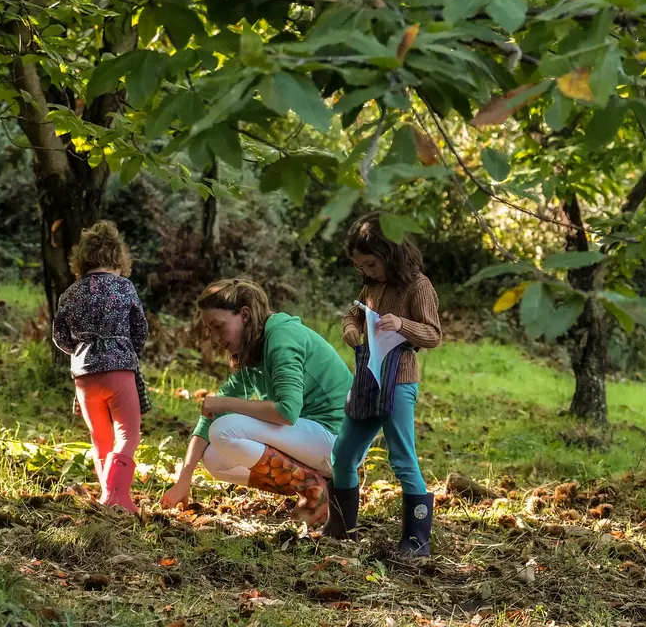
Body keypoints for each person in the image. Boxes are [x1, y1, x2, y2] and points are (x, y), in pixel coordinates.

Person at [159, 278, 352, 526]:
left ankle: (315, 487)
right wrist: (183, 480)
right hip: (313, 440)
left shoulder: (282, 337)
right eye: (210, 330)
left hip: (339, 443)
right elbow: (209, 416)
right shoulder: (253, 349)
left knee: (225, 429)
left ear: (245, 315)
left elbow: (286, 411)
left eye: (218, 326)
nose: (215, 337)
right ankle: (317, 485)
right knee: (214, 458)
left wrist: (225, 404)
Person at [327, 215, 442, 555]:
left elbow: (434, 334)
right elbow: (354, 313)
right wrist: (350, 327)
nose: (366, 271)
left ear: (389, 254)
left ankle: (416, 540)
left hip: (399, 378)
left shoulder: (418, 287)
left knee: (402, 458)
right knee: (343, 453)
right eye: (359, 266)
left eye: (371, 263)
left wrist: (403, 324)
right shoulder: (371, 287)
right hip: (368, 376)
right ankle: (340, 528)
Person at [51, 221, 148, 513]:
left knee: (100, 438)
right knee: (128, 433)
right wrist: (128, 351)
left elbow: (60, 336)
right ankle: (117, 496)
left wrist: (81, 350)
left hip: (84, 374)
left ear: (81, 260)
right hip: (120, 368)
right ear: (119, 259)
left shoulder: (70, 293)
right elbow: (139, 329)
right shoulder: (125, 287)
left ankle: (108, 496)